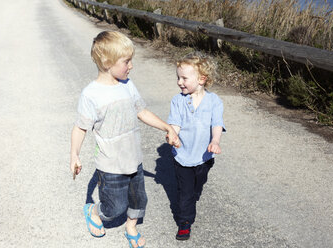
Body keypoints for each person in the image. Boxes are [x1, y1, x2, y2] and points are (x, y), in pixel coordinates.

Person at [70, 30, 180, 248]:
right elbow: (80, 128)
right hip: (110, 164)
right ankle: (94, 211)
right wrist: (74, 154)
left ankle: (131, 227)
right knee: (114, 207)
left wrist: (166, 127)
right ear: (106, 61)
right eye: (127, 61)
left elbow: (142, 111)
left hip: (133, 158)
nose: (131, 66)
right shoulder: (91, 95)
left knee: (139, 200)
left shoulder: (127, 85)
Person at [167, 51, 225, 240]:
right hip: (182, 155)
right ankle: (184, 222)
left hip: (204, 157)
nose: (179, 82)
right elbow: (174, 123)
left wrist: (215, 141)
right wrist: (172, 134)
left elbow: (217, 123)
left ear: (202, 79)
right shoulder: (178, 101)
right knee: (185, 193)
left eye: (184, 78)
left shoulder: (214, 101)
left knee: (197, 186)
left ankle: (193, 193)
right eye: (178, 77)